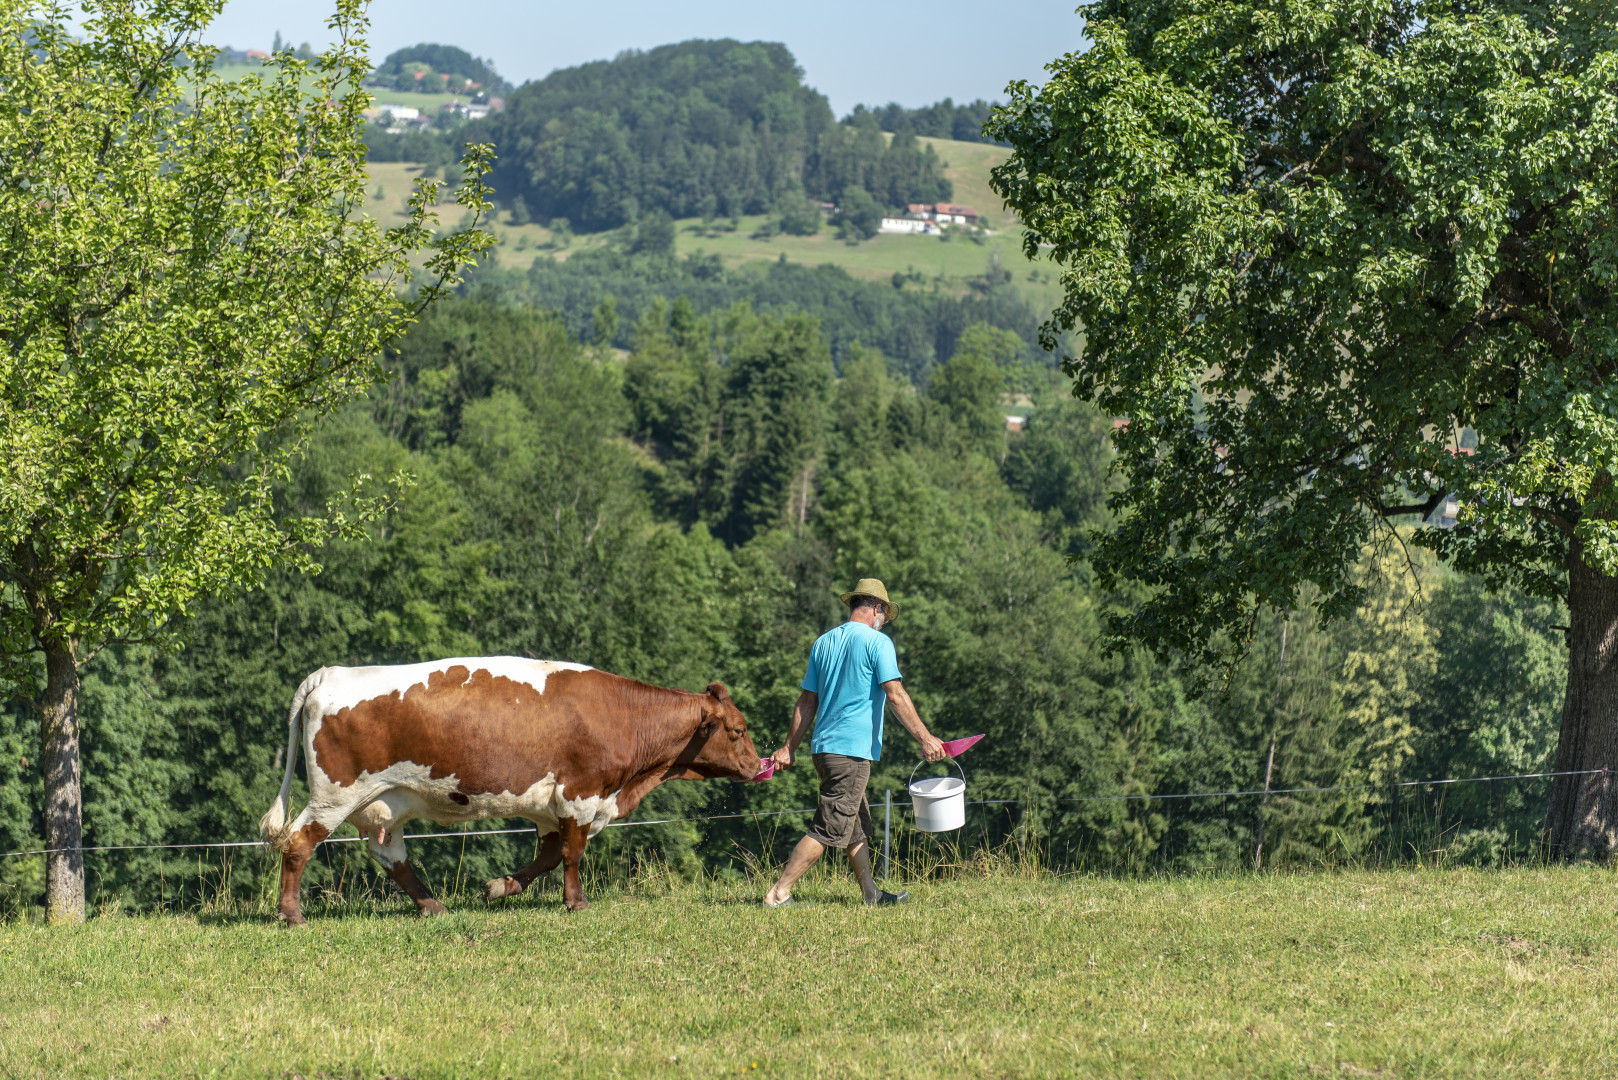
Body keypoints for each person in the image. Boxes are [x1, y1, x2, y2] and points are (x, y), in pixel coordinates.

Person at [763, 578, 946, 907]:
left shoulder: (824, 642)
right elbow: (896, 695)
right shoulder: (878, 644)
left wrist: (790, 746)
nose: (884, 622)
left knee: (854, 823)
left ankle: (871, 894)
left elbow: (807, 702)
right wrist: (926, 737)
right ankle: (779, 892)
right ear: (877, 608)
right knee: (829, 826)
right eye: (885, 615)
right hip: (851, 751)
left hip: (824, 748)